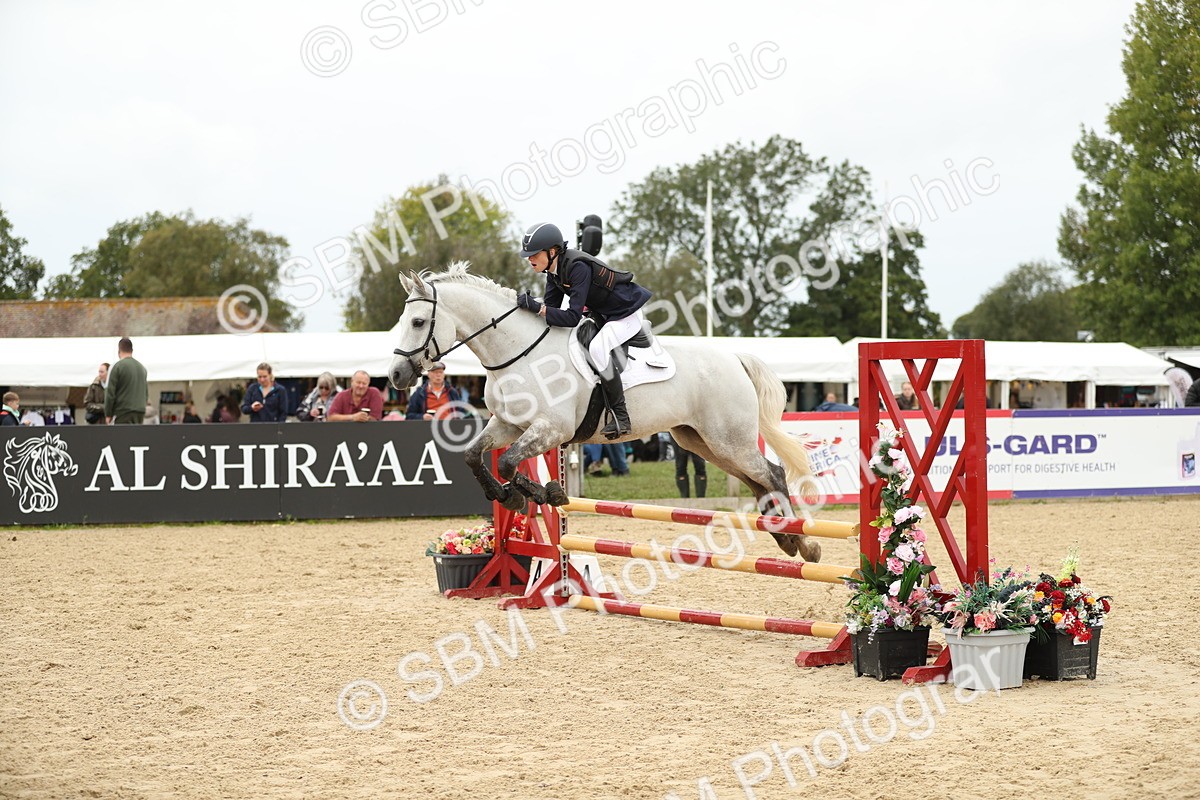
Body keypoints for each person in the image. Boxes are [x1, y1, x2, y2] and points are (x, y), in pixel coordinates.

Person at [516, 221, 652, 440]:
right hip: (603, 314)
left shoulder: (577, 266)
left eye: (533, 254)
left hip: (625, 313)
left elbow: (571, 317)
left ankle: (621, 415)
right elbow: (550, 310)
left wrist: (537, 307)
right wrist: (530, 306)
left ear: (552, 252)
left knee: (597, 348)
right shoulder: (554, 271)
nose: (529, 259)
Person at [104, 337, 148, 424]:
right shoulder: (142, 368)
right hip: (140, 411)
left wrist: (108, 414)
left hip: (123, 411)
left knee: (121, 437)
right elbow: (146, 393)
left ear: (119, 350)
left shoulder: (117, 367)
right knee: (136, 437)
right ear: (132, 350)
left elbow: (110, 392)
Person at [672, 433, 707, 498]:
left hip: (696, 433)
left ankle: (701, 498)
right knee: (681, 466)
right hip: (677, 432)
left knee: (700, 465)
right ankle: (684, 499)